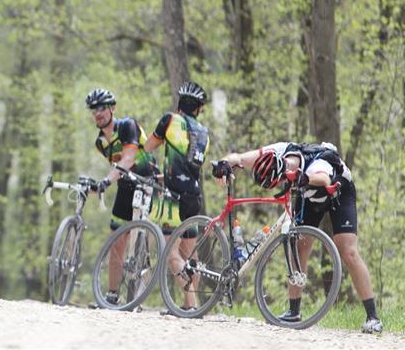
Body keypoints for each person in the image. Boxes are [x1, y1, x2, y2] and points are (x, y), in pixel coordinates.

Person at [213, 142, 383, 333]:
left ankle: (373, 317)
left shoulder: (319, 163)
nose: (278, 186)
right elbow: (240, 158)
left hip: (337, 191)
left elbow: (323, 179)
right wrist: (223, 164)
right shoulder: (277, 151)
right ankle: (294, 311)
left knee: (348, 251)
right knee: (299, 245)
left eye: (278, 183)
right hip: (307, 193)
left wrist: (303, 177)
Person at [85, 87, 157, 305]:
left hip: (146, 182)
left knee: (140, 239)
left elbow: (128, 159)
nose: (98, 113)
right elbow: (117, 167)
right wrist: (98, 185)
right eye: (93, 109)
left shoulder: (127, 125)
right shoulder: (100, 142)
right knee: (116, 239)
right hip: (126, 186)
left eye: (102, 108)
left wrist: (106, 181)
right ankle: (112, 295)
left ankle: (137, 296)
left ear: (112, 109)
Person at [143, 80, 210, 311]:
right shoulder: (204, 133)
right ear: (198, 108)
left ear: (179, 103)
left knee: (169, 251)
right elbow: (190, 166)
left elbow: (149, 146)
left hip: (173, 195)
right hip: (194, 195)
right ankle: (191, 306)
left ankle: (189, 295)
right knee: (189, 253)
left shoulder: (170, 120)